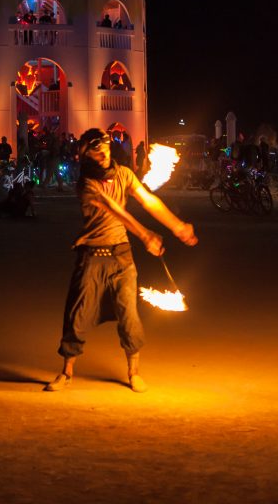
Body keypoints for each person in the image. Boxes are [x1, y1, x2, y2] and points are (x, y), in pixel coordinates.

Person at [44, 128, 198, 394]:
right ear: (86, 154)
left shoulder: (124, 175)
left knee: (129, 316)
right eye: (96, 149)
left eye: (104, 147)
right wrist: (145, 234)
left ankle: (134, 373)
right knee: (77, 316)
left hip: (121, 256)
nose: (103, 153)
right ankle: (66, 372)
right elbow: (114, 209)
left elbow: (149, 200)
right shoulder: (86, 184)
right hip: (92, 256)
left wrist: (178, 226)